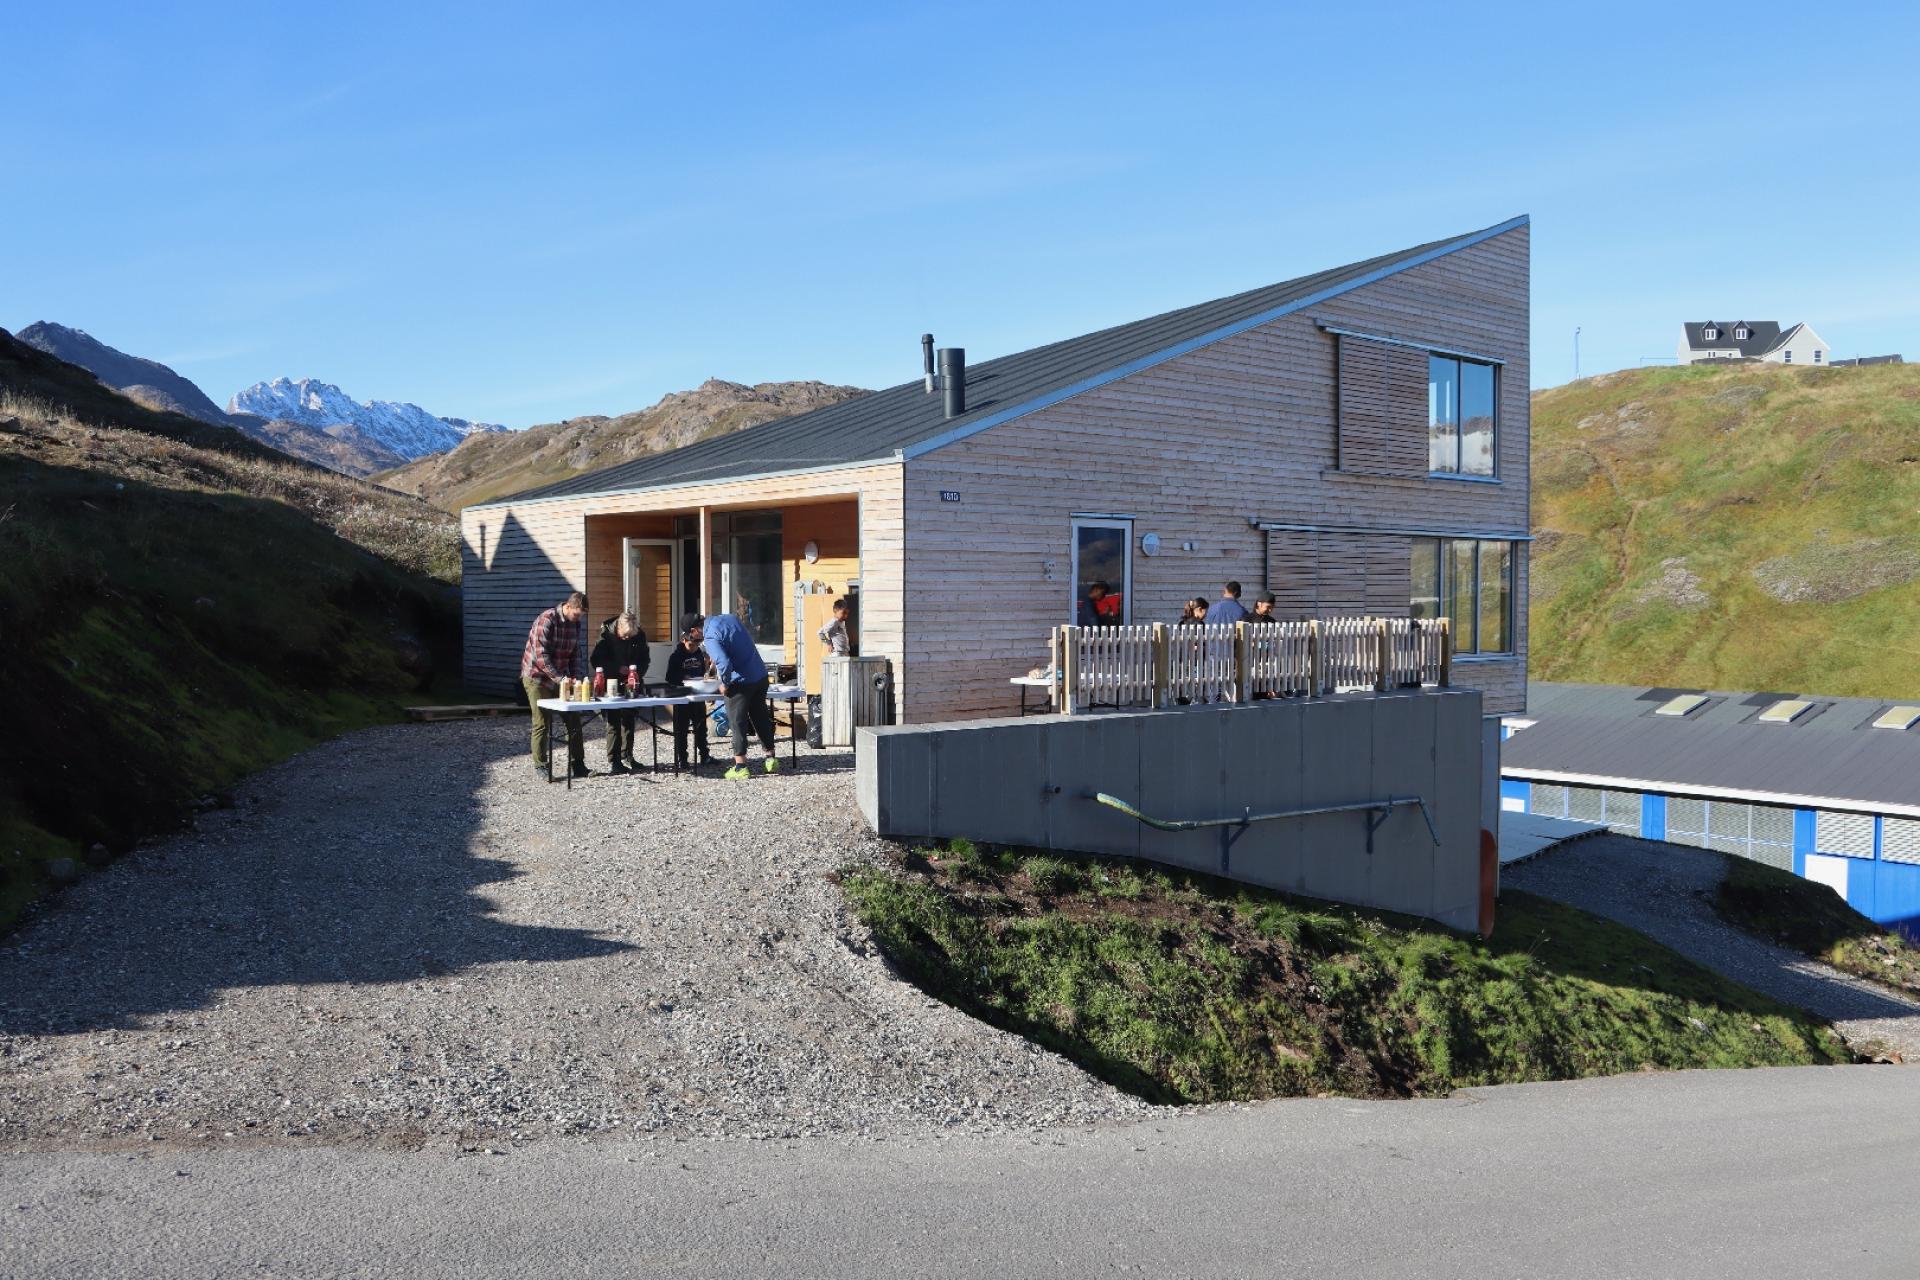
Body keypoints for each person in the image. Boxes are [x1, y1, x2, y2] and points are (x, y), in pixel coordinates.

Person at [700, 610, 779, 780]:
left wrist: (724, 684)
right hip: (759, 675)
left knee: (737, 722)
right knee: (761, 718)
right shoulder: (730, 618)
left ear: (694, 630)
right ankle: (771, 759)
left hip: (740, 682)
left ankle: (740, 766)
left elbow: (724, 662)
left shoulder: (710, 636)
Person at [521, 591, 588, 779]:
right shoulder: (546, 619)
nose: (578, 618)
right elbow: (541, 656)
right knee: (542, 721)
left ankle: (578, 764)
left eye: (581, 615)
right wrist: (561, 679)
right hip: (537, 677)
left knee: (574, 718)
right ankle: (541, 764)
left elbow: (575, 653)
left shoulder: (576, 624)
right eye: (576, 614)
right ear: (567, 606)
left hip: (560, 676)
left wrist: (575, 677)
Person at [590, 610, 650, 774]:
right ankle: (614, 760)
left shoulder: (638, 634)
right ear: (618, 628)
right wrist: (617, 668)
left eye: (630, 636)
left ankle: (627, 755)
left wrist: (637, 673)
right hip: (610, 682)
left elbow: (645, 658)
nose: (627, 639)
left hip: (631, 681)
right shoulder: (606, 635)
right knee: (613, 721)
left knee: (630, 719)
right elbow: (596, 660)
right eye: (624, 636)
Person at [664, 613, 715, 768]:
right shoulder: (676, 656)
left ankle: (704, 755)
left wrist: (708, 683)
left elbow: (703, 674)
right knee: (681, 729)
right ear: (684, 640)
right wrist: (683, 677)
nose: (694, 648)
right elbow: (669, 677)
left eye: (697, 645)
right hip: (682, 696)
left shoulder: (699, 654)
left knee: (701, 727)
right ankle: (682, 758)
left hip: (697, 695)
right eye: (692, 645)